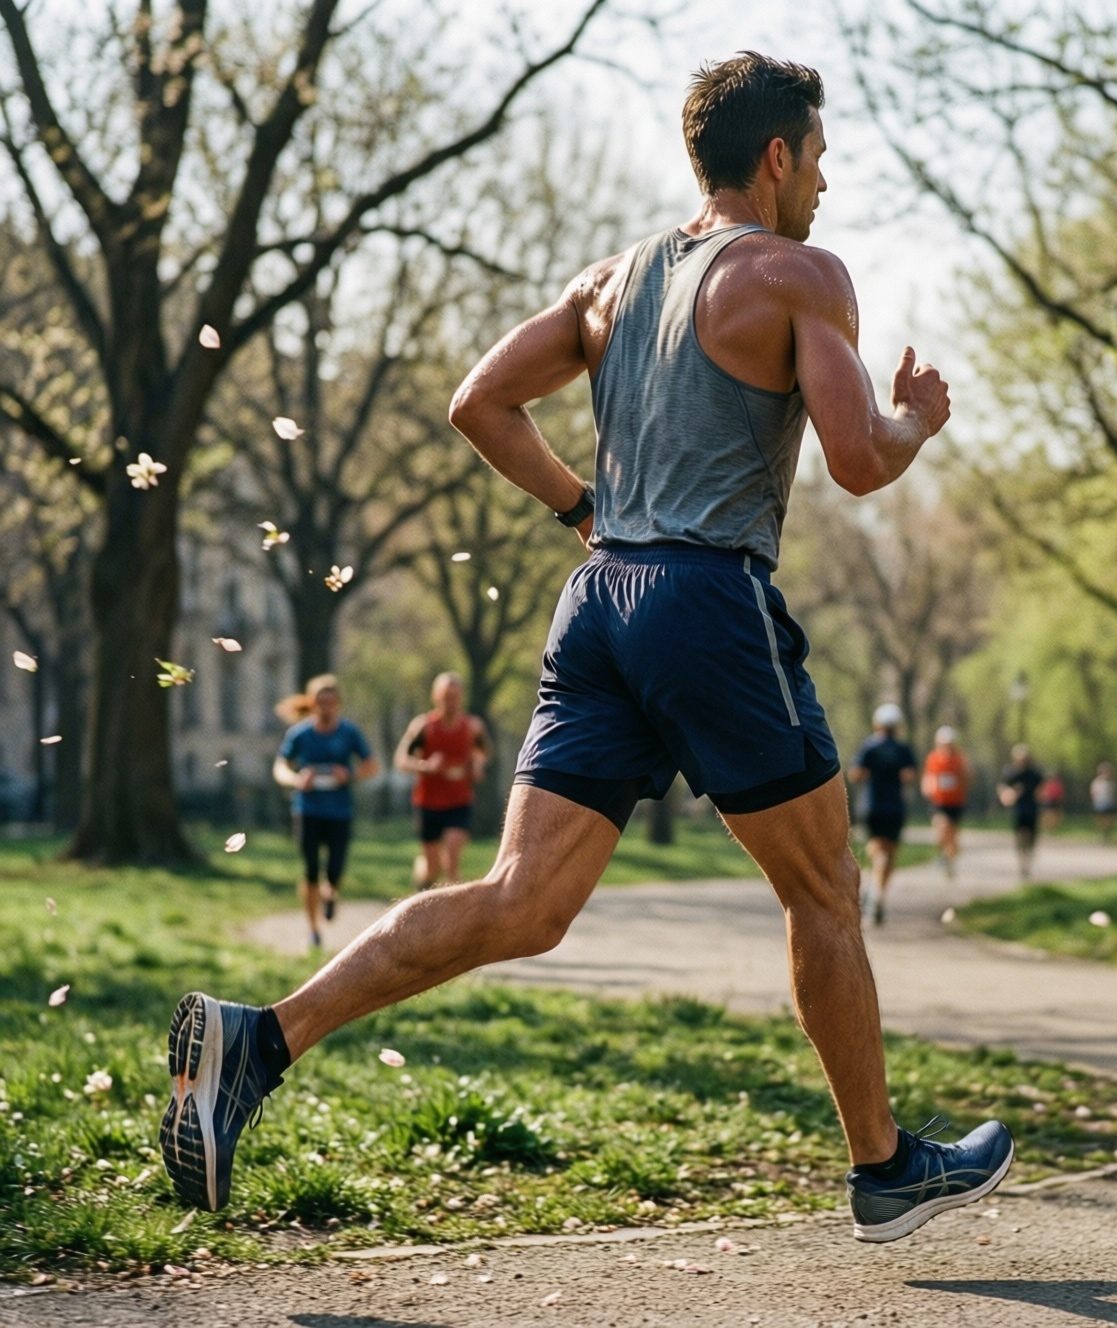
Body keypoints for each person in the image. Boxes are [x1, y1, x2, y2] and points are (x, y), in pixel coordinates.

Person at [159, 53, 1012, 1242]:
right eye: (817, 157)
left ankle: (261, 1038)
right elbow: (859, 459)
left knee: (521, 899)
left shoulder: (609, 282)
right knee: (823, 888)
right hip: (709, 600)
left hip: (598, 601)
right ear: (775, 157)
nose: (823, 181)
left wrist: (581, 509)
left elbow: (477, 402)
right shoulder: (796, 275)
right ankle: (883, 1169)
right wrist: (914, 417)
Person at [271, 675, 380, 948]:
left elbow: (371, 766)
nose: (326, 707)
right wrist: (297, 780)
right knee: (310, 871)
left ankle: (330, 893)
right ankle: (313, 930)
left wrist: (349, 775)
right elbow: (280, 768)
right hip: (307, 810)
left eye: (331, 702)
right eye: (321, 702)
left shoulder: (349, 733)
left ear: (339, 703)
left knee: (334, 870)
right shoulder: (300, 735)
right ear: (312, 703)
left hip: (339, 812)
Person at [394, 672, 491, 891]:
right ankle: (422, 877)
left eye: (455, 696)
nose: (451, 702)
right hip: (428, 802)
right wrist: (425, 766)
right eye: (446, 696)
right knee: (432, 869)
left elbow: (484, 753)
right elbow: (401, 760)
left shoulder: (473, 727)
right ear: (435, 697)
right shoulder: (424, 726)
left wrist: (478, 765)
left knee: (452, 859)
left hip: (459, 801)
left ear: (462, 697)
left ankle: (453, 910)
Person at [848, 702, 916, 925]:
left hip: (872, 806)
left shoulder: (869, 747)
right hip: (894, 807)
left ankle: (873, 892)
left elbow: (855, 774)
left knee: (877, 850)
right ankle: (878, 894)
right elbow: (910, 775)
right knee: (890, 854)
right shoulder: (902, 749)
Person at [921, 725, 969, 877]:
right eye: (943, 743)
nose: (946, 746)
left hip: (955, 802)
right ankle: (943, 854)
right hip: (939, 801)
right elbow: (928, 776)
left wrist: (962, 781)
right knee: (941, 829)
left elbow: (967, 778)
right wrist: (927, 787)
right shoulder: (933, 758)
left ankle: (949, 860)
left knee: (953, 839)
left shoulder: (959, 759)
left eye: (949, 743)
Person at [997, 743, 1045, 881]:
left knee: (1031, 836)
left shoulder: (1034, 773)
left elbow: (1042, 788)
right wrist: (1007, 795)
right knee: (1019, 836)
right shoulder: (1010, 773)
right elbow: (1002, 787)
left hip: (1032, 807)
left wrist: (1040, 795)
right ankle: (1022, 863)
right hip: (1018, 808)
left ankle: (1028, 858)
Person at [1090, 760, 1117, 840]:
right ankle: (1102, 832)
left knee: (1110, 818)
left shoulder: (1111, 782)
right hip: (1100, 802)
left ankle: (1107, 832)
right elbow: (1093, 792)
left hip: (1109, 803)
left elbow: (1113, 793)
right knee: (1101, 818)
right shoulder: (1097, 782)